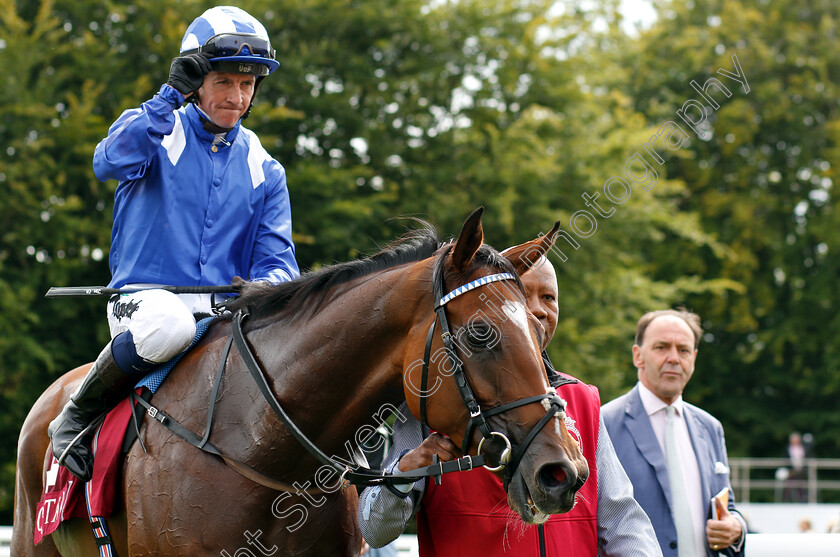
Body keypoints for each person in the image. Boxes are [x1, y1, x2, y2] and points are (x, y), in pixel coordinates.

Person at [48, 5, 299, 482]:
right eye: (224, 81)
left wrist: (262, 295)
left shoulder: (266, 169)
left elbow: (278, 262)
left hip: (226, 314)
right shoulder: (156, 130)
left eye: (247, 85)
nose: (237, 96)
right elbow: (108, 160)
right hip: (145, 305)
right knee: (172, 326)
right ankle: (77, 415)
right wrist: (168, 98)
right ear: (197, 78)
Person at [358, 255, 662, 556]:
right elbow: (375, 531)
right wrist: (405, 471)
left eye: (549, 297)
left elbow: (623, 523)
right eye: (523, 295)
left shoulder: (582, 398)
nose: (540, 310)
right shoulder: (432, 398)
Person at [602, 309, 747, 557]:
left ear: (694, 357)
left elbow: (727, 505)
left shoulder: (710, 427)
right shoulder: (603, 423)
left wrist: (736, 528)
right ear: (638, 355)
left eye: (683, 350)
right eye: (661, 347)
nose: (673, 358)